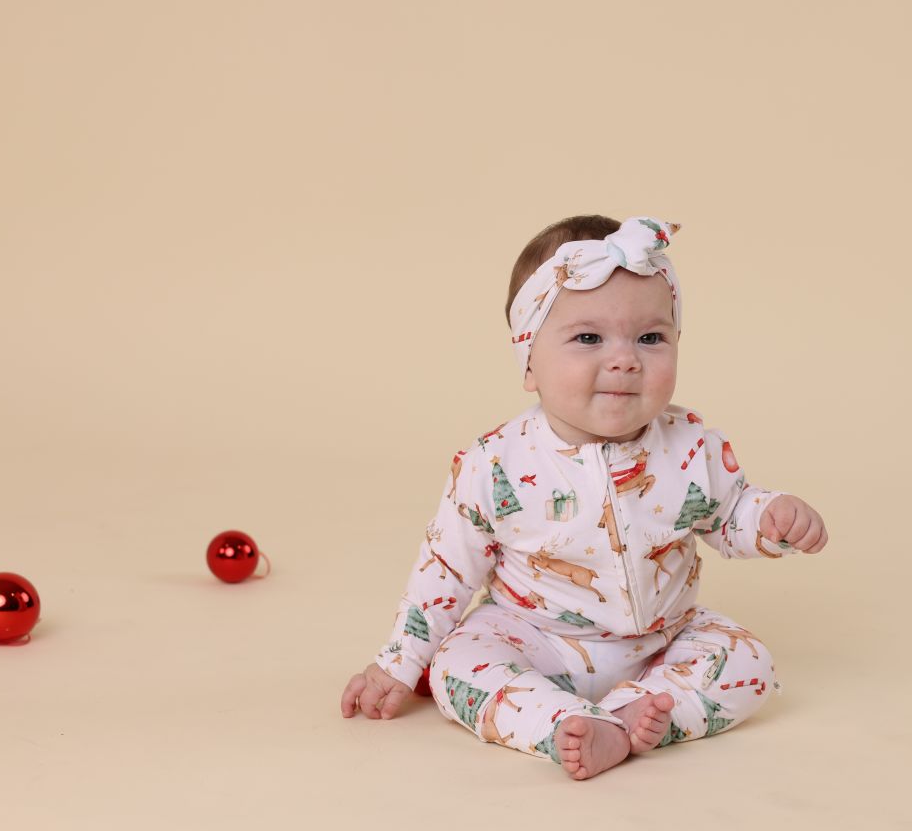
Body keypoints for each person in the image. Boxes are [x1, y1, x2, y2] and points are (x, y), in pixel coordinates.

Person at [340, 214, 828, 780]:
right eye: (589, 338)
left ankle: (634, 716)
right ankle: (561, 723)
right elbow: (445, 571)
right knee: (458, 665)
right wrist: (399, 665)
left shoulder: (690, 444)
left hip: (661, 641)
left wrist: (769, 519)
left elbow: (728, 515)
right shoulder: (495, 463)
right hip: (534, 639)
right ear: (529, 360)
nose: (625, 359)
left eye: (650, 338)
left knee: (748, 661)